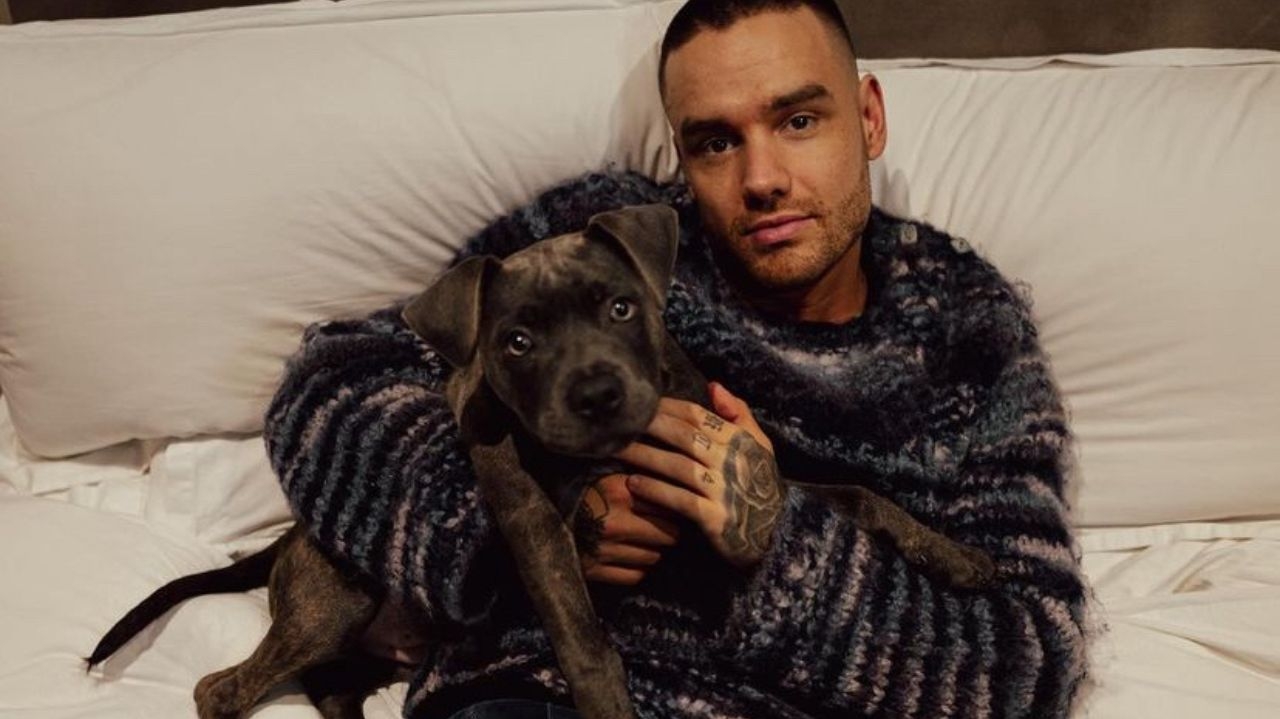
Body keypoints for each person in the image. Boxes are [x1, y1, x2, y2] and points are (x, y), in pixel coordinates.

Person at [264, 0, 1093, 717]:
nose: (761, 178)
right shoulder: (602, 238)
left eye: (798, 121)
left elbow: (1029, 663)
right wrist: (506, 538)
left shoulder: (967, 328)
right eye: (716, 142)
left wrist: (778, 544)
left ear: (869, 117)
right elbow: (328, 388)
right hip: (539, 688)